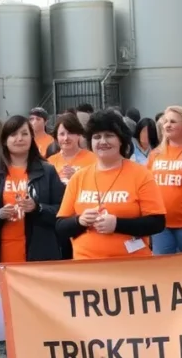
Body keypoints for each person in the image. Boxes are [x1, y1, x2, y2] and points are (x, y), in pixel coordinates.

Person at [0, 116, 66, 358]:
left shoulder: (47, 171)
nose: (19, 138)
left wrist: (37, 208)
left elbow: (62, 213)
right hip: (6, 261)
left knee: (39, 325)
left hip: (39, 259)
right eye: (13, 134)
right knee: (14, 327)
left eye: (25, 133)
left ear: (32, 138)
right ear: (4, 139)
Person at [56, 110, 166, 260]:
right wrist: (80, 221)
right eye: (97, 137)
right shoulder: (79, 177)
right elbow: (61, 226)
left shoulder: (141, 174)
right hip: (86, 267)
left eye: (109, 135)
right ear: (90, 142)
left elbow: (157, 223)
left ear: (121, 140)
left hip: (129, 265)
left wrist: (117, 224)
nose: (102, 142)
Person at [149, 106, 182, 254]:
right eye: (165, 121)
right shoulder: (156, 153)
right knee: (162, 269)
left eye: (173, 121)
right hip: (160, 222)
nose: (167, 125)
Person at [47, 113, 94, 185]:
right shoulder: (50, 162)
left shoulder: (93, 159)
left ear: (79, 134)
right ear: (56, 137)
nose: (66, 138)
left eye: (70, 133)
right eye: (62, 134)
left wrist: (77, 177)